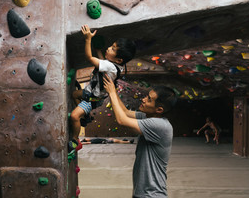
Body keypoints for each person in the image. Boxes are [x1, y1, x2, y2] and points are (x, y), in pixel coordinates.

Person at [103, 75, 177, 198]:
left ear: (159, 109)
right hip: (143, 193)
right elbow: (125, 112)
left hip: (152, 195)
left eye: (149, 99)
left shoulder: (160, 125)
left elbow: (122, 120)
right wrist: (113, 91)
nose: (143, 99)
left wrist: (111, 92)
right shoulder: (148, 117)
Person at [69, 24, 136, 152]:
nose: (109, 48)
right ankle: (85, 117)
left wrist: (88, 39)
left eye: (112, 49)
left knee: (73, 116)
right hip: (92, 93)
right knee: (75, 94)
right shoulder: (114, 66)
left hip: (92, 99)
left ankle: (75, 139)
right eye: (111, 46)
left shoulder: (110, 67)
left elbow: (89, 58)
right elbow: (104, 62)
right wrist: (99, 50)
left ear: (119, 59)